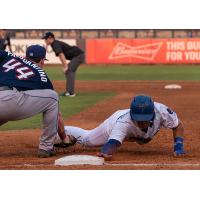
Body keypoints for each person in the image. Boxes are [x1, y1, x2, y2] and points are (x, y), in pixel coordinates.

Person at [54, 95, 185, 161]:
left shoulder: (162, 111)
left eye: (144, 119)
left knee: (140, 138)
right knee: (88, 140)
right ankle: (58, 132)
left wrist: (178, 146)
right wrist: (105, 152)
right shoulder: (124, 122)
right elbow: (112, 143)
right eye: (138, 119)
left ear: (153, 114)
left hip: (136, 134)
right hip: (112, 124)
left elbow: (178, 125)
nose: (142, 123)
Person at [0, 45, 67, 158]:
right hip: (7, 100)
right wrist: (64, 137)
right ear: (42, 61)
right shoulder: (41, 75)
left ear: (26, 57)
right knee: (53, 97)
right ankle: (46, 147)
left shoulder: (8, 55)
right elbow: (57, 115)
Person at [42, 32, 84, 97]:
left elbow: (61, 54)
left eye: (45, 39)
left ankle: (70, 93)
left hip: (79, 55)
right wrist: (65, 66)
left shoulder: (55, 44)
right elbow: (61, 55)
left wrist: (66, 66)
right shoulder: (54, 44)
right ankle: (69, 91)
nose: (45, 40)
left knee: (69, 70)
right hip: (77, 55)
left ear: (50, 38)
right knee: (69, 70)